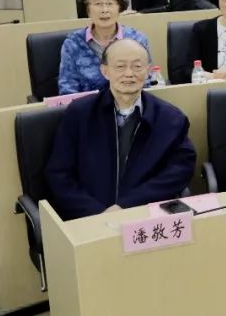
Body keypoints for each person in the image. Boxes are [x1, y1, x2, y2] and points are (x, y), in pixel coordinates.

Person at [46, 38, 196, 220]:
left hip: (145, 217)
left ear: (148, 70)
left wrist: (126, 207)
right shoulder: (79, 113)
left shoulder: (170, 118)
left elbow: (180, 170)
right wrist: (97, 214)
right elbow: (59, 174)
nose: (129, 74)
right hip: (87, 219)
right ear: (105, 71)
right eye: (120, 66)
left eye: (137, 66)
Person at [59, 0, 152, 94]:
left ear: (119, 8)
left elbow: (147, 81)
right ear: (87, 9)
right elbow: (67, 89)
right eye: (98, 4)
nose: (104, 10)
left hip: (129, 101)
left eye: (110, 3)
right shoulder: (73, 43)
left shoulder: (137, 39)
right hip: (88, 104)